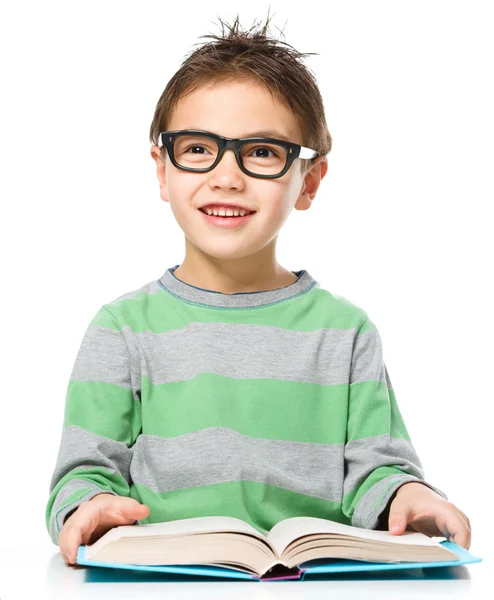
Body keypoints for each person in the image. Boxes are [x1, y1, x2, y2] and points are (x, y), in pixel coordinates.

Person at [46, 12, 471, 567]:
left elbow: (379, 470)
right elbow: (81, 476)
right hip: (163, 579)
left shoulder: (346, 332)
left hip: (316, 578)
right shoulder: (122, 328)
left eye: (263, 153)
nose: (227, 176)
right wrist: (93, 503)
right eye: (197, 149)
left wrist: (410, 496)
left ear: (308, 181)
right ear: (161, 170)